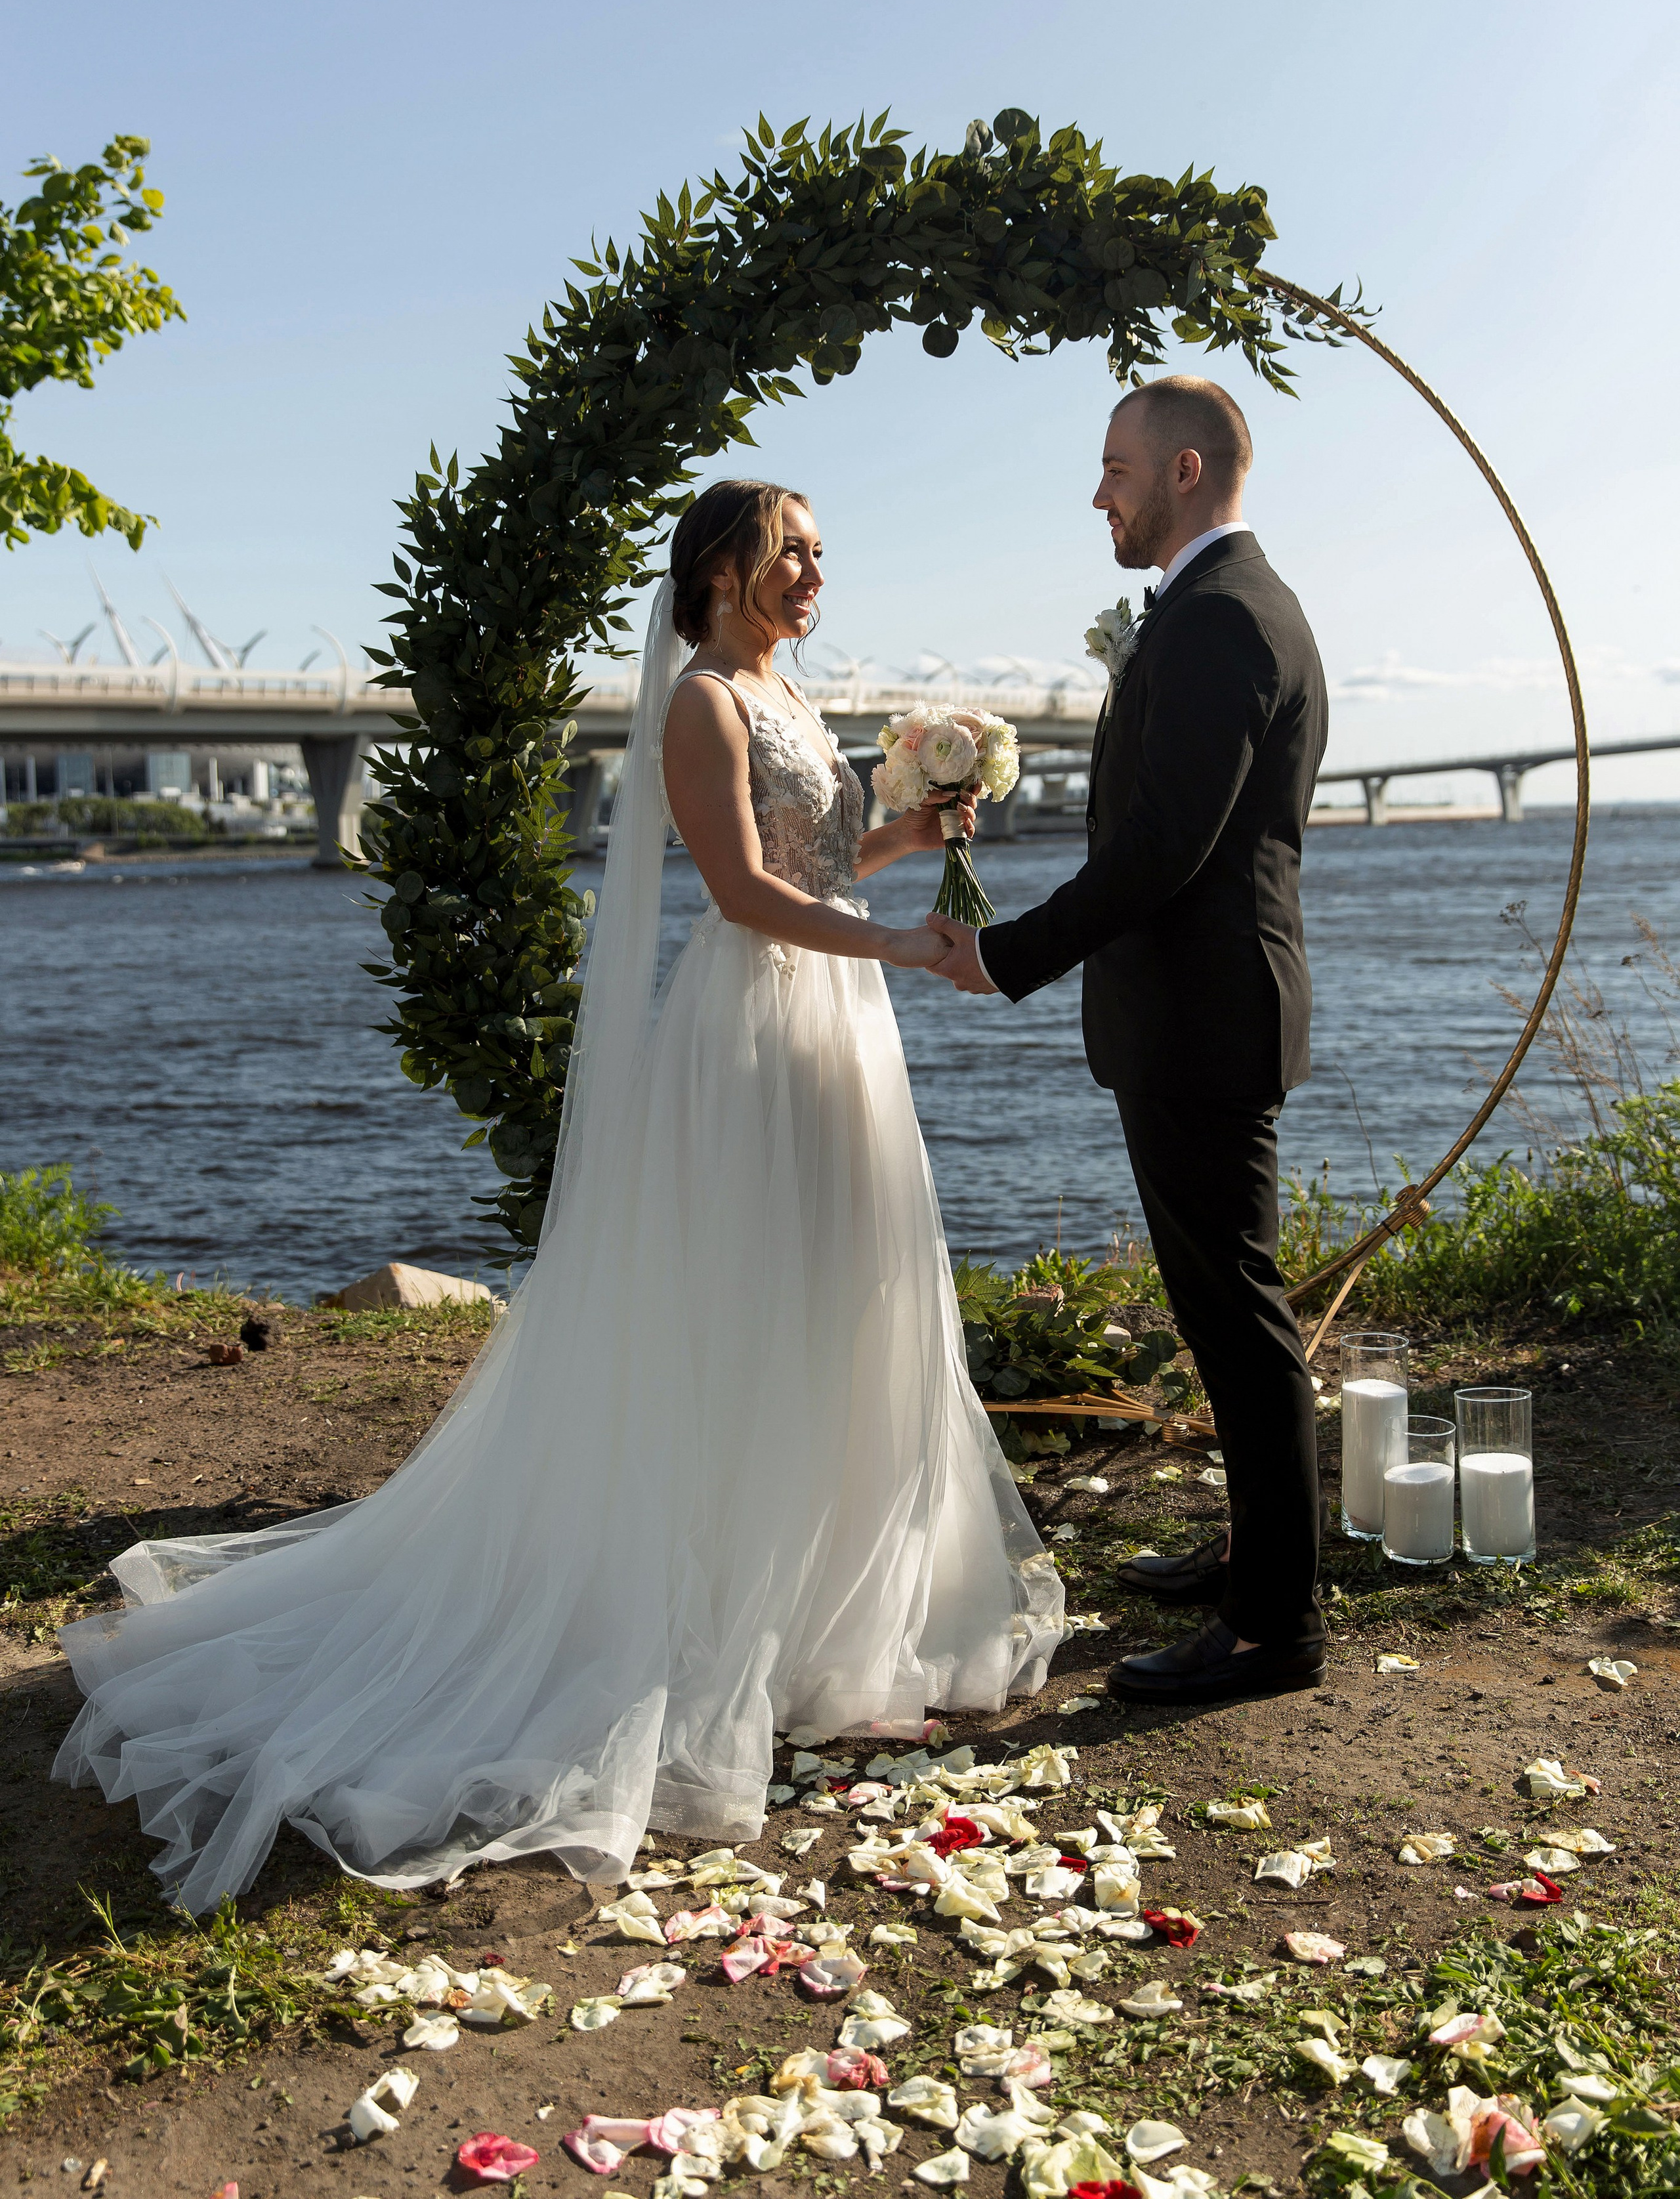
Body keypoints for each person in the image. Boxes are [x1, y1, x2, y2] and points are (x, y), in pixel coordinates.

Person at [53, 478, 1061, 1913]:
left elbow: (821, 859)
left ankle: (822, 1620)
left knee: (850, 1287)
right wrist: (899, 942)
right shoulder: (704, 703)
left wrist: (921, 828)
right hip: (761, 1021)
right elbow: (740, 892)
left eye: (821, 554)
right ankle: (723, 1618)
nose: (812, 573)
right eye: (792, 550)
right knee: (752, 1299)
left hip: (845, 1022)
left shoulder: (792, 693)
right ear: (720, 567)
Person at [928, 376, 1329, 1704]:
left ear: (1185, 470)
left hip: (1206, 1019)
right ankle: (1245, 1556)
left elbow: (1164, 849)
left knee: (1239, 1317)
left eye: (1114, 466)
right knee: (1219, 1313)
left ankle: (1273, 1627)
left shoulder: (1220, 622)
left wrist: (1005, 953)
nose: (1095, 491)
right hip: (1193, 1013)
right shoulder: (1214, 611)